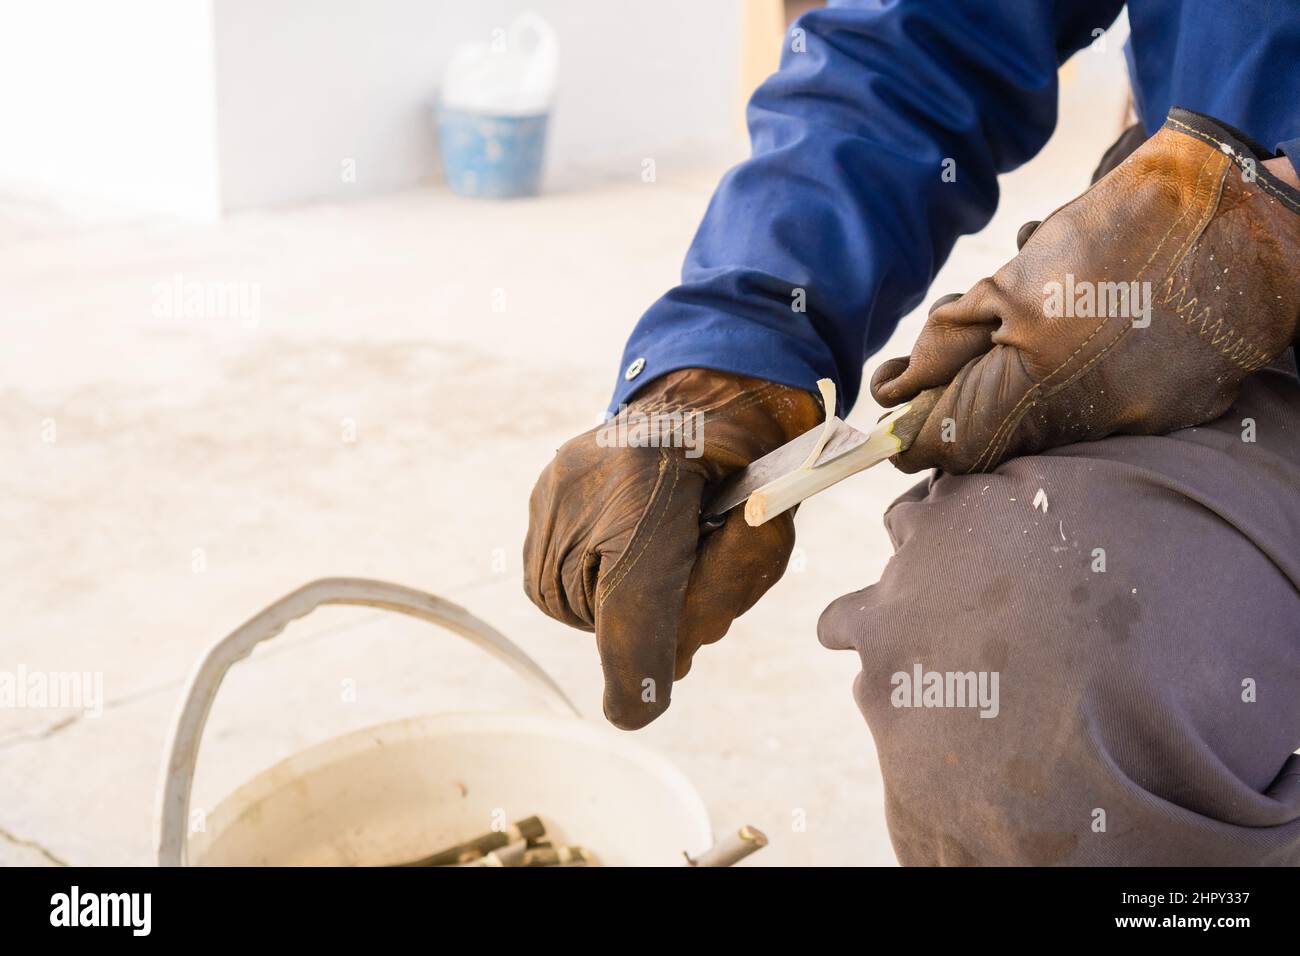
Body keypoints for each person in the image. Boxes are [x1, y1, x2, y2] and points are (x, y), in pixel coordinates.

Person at [523, 0, 1300, 864]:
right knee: (1008, 672)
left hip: (1258, 236)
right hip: (1224, 300)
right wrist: (730, 344)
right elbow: (925, 36)